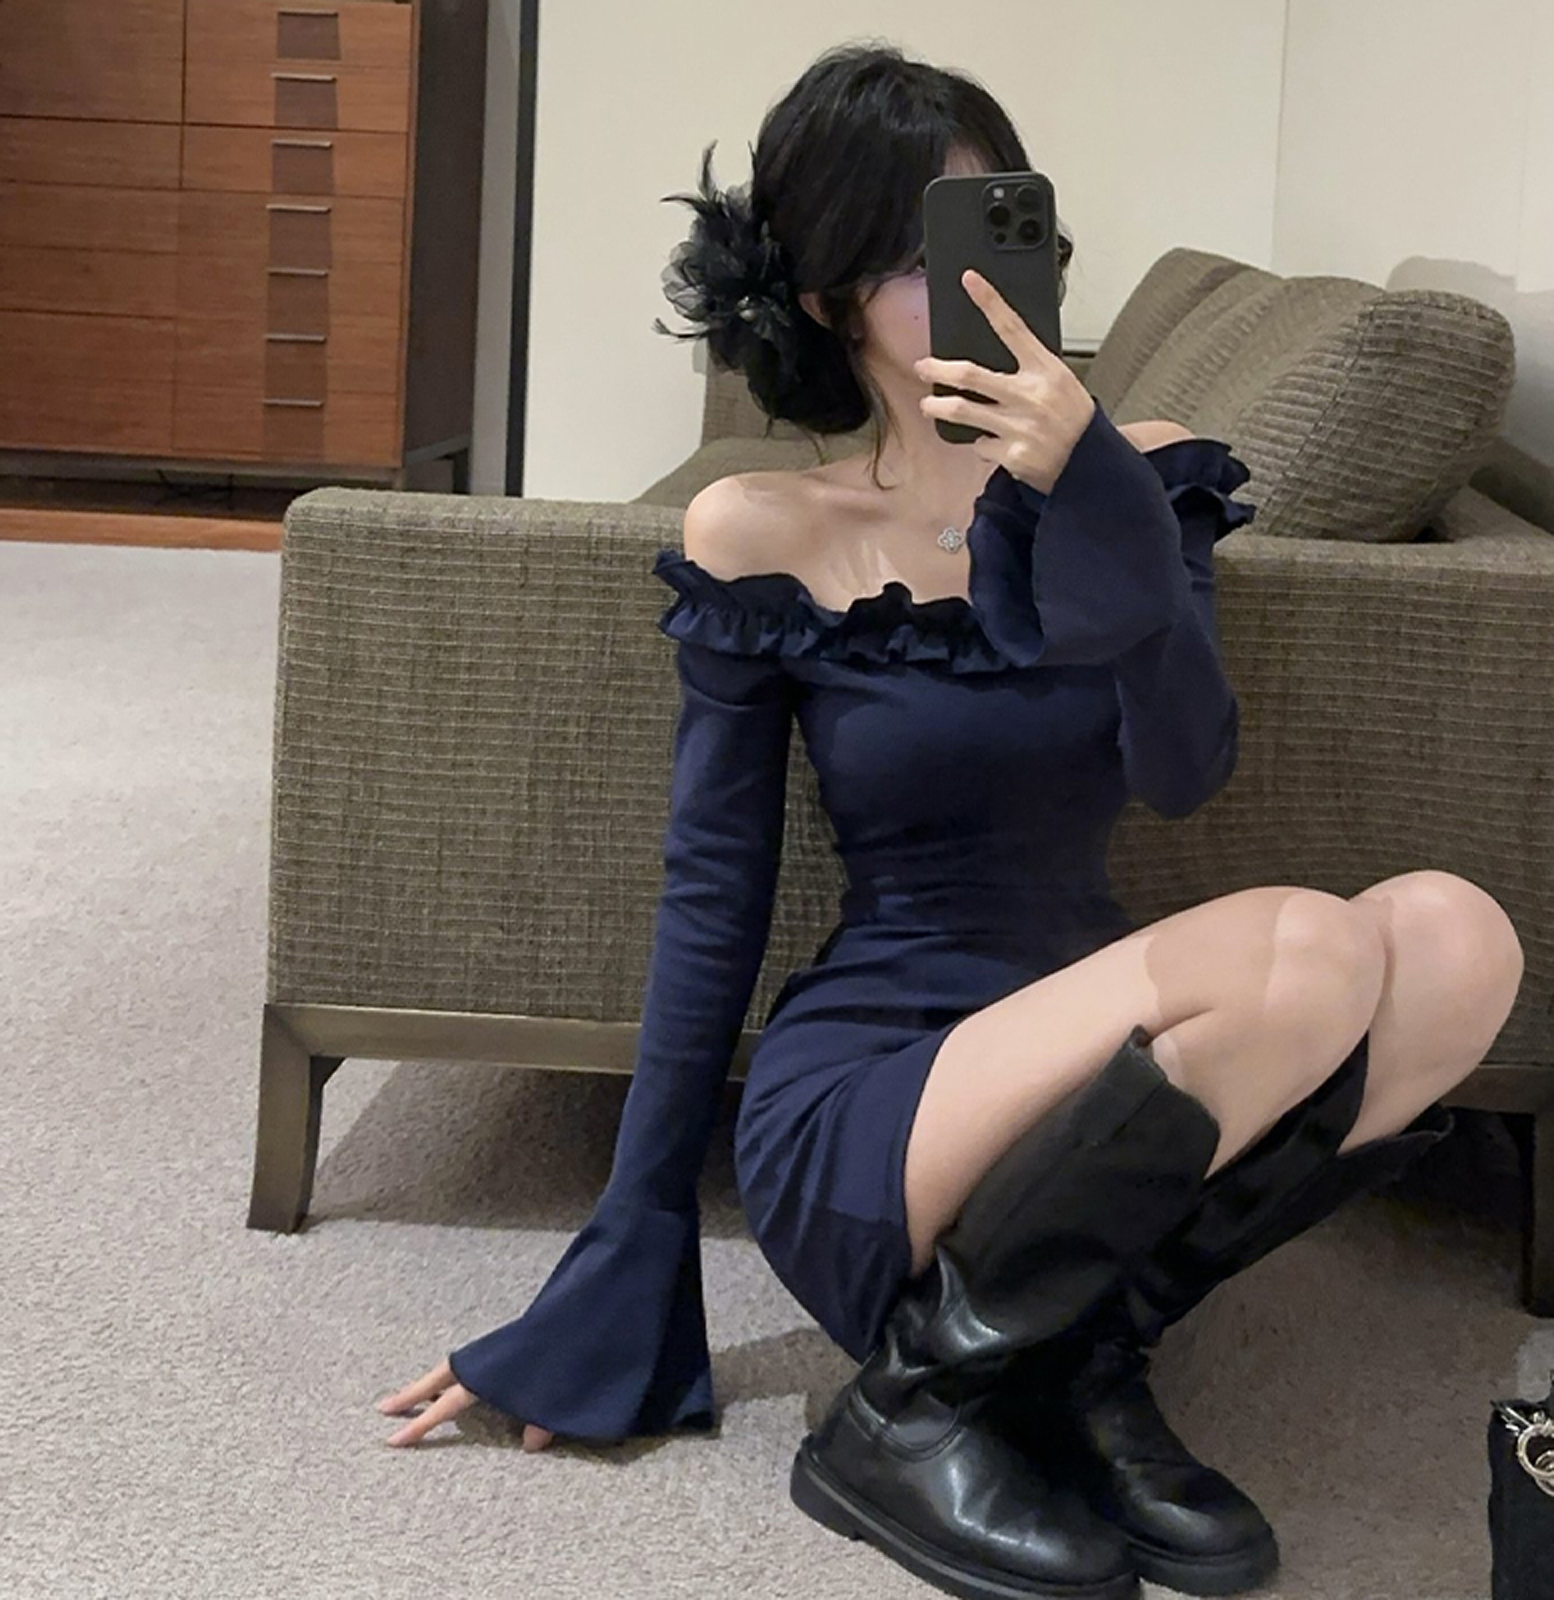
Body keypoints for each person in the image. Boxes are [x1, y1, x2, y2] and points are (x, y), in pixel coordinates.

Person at [376, 40, 1523, 1600]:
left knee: (1455, 941)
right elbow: (714, 889)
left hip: (1107, 1044)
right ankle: (906, 1411)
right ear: (830, 296)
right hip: (880, 1096)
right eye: (921, 255)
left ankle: (1076, 1361)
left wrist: (1093, 494)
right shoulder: (769, 528)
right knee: (1310, 950)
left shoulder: (1147, 476)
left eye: (1000, 227)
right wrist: (629, 1243)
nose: (976, 285)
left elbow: (1186, 769)